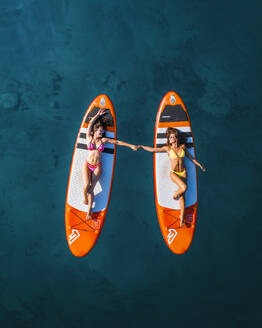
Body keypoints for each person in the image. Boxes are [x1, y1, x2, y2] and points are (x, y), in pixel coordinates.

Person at [138, 127, 206, 227]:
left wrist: (199, 165)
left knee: (183, 198)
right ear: (169, 139)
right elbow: (154, 149)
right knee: (184, 188)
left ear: (177, 138)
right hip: (174, 173)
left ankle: (182, 219)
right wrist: (141, 146)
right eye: (170, 137)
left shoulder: (183, 147)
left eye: (173, 137)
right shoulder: (168, 149)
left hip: (183, 173)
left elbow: (191, 158)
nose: (172, 139)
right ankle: (175, 195)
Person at [83, 108, 138, 220]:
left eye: (102, 131)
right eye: (99, 131)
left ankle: (89, 212)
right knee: (86, 185)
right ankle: (84, 197)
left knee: (91, 188)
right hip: (87, 165)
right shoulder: (89, 137)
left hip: (97, 167)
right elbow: (90, 125)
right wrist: (97, 115)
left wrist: (130, 146)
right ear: (94, 131)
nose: (101, 132)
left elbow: (117, 142)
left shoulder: (103, 141)